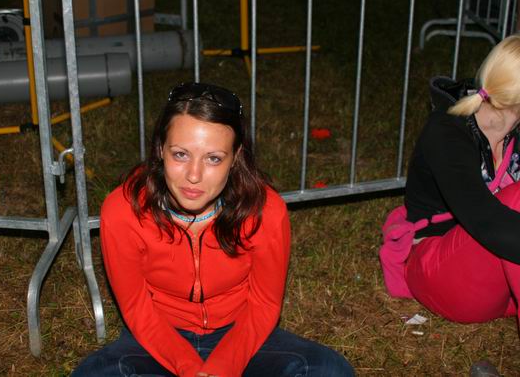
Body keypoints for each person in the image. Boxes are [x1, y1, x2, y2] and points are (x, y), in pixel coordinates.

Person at [73, 82, 354, 376]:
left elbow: (264, 304)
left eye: (214, 158)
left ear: (235, 158)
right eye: (180, 154)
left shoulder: (265, 210)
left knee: (330, 370)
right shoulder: (123, 210)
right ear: (160, 149)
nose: (194, 175)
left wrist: (223, 367)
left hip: (242, 333)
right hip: (157, 334)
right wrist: (187, 366)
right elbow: (136, 308)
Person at [390, 35, 520, 335]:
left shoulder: (513, 132)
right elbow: (487, 221)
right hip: (440, 273)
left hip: (497, 280)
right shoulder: (447, 131)